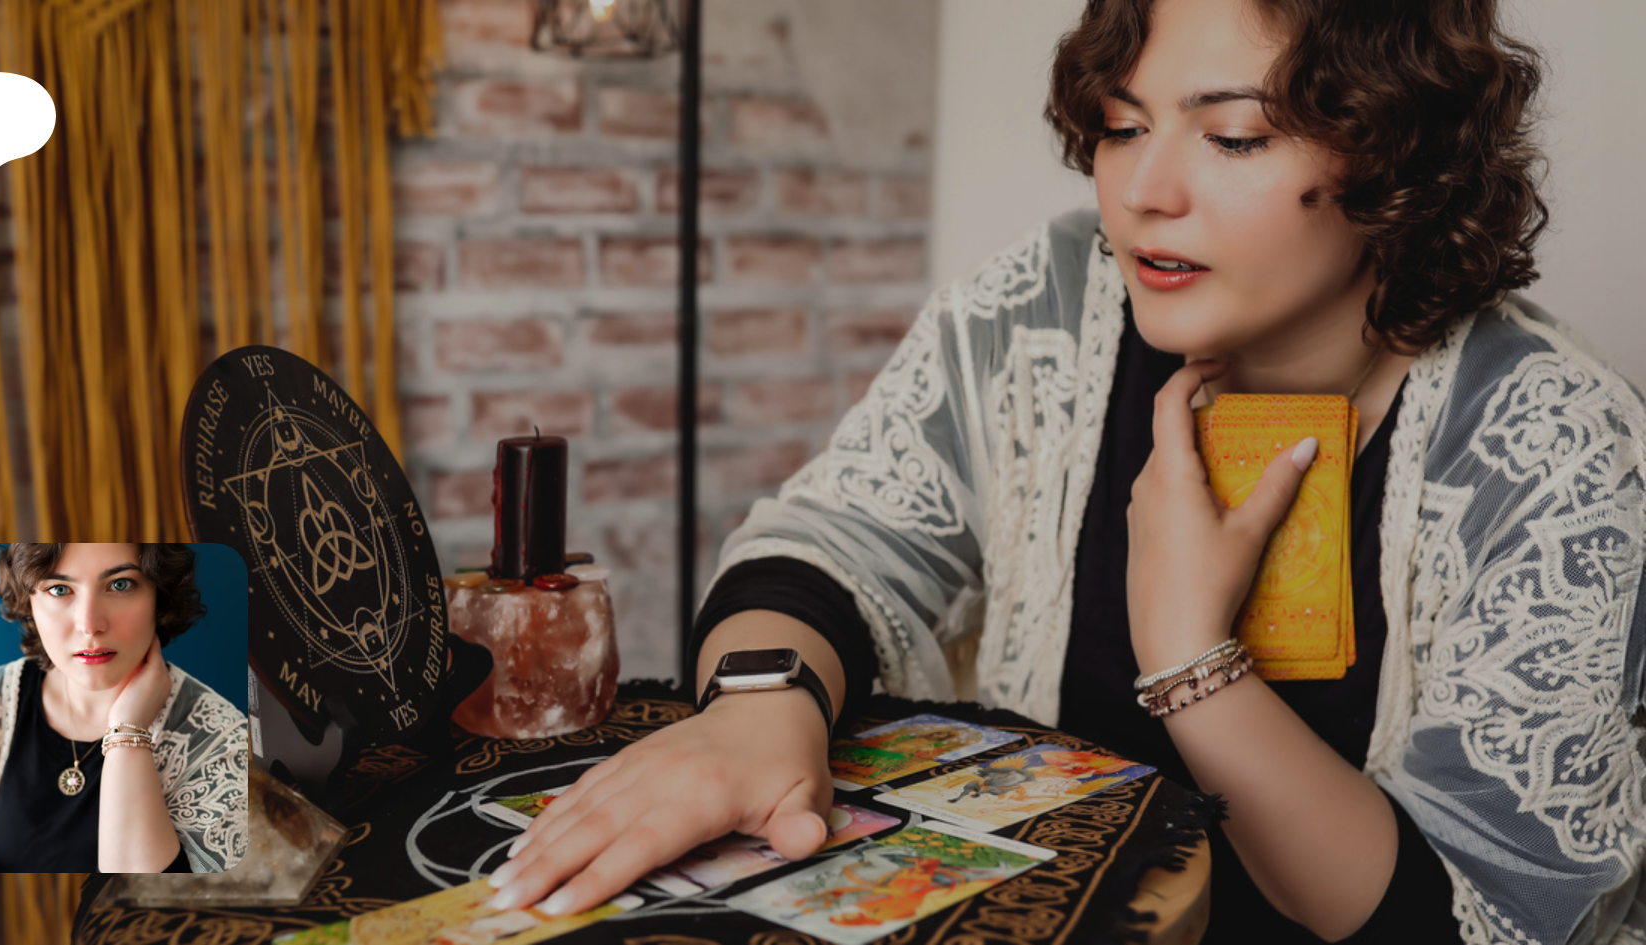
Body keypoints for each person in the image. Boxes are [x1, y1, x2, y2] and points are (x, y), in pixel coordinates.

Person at [486, 0, 1646, 940]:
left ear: (1399, 149)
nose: (1144, 192)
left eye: (1234, 137)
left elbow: (1463, 920)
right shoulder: (1046, 308)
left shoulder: (1552, 449)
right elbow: (837, 545)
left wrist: (1193, 663)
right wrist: (756, 712)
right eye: (1123, 125)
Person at [0, 543, 248, 873]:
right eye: (59, 589)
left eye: (120, 584)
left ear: (158, 597)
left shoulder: (221, 742)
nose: (89, 625)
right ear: (29, 602)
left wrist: (128, 733)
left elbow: (143, 900)